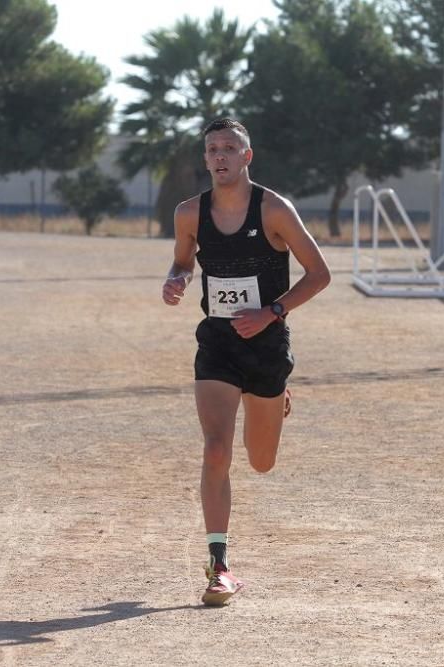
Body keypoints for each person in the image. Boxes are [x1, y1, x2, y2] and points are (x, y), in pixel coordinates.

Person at [162, 117, 331, 606]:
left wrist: (273, 311)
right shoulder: (189, 214)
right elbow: (182, 260)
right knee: (216, 449)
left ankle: (275, 397)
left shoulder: (274, 209)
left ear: (246, 156)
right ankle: (219, 567)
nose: (219, 156)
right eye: (212, 148)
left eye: (229, 148)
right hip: (217, 342)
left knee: (261, 461)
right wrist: (176, 279)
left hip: (265, 346)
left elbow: (319, 273)